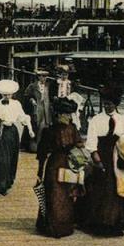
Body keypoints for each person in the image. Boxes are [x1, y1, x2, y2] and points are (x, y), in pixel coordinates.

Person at [77, 86, 124, 236]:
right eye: (105, 104)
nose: (107, 106)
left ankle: (114, 221)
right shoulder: (96, 120)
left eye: (110, 104)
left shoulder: (121, 119)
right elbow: (91, 140)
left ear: (116, 104)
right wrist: (96, 157)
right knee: (100, 187)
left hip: (116, 155)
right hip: (102, 154)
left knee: (116, 187)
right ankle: (98, 221)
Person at [35, 98, 85, 238]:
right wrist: (39, 172)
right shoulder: (49, 130)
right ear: (58, 115)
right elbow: (42, 153)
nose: (68, 117)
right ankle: (53, 226)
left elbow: (79, 143)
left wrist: (79, 151)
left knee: (66, 193)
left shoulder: (73, 128)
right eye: (65, 114)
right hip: (54, 164)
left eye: (69, 114)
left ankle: (65, 225)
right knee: (54, 193)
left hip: (69, 163)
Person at [0, 80, 33, 196]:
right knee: (2, 157)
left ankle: (8, 180)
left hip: (12, 132)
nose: (6, 96)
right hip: (1, 131)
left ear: (12, 94)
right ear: (1, 94)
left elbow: (23, 117)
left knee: (12, 156)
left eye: (9, 94)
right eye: (4, 94)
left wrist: (30, 129)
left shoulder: (16, 104)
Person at [21, 70, 53, 152]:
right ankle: (34, 145)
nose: (44, 78)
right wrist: (32, 100)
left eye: (45, 76)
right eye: (42, 76)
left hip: (46, 108)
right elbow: (26, 95)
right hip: (36, 108)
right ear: (38, 77)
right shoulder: (32, 86)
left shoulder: (48, 86)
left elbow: (52, 96)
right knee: (36, 125)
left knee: (46, 126)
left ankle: (45, 146)